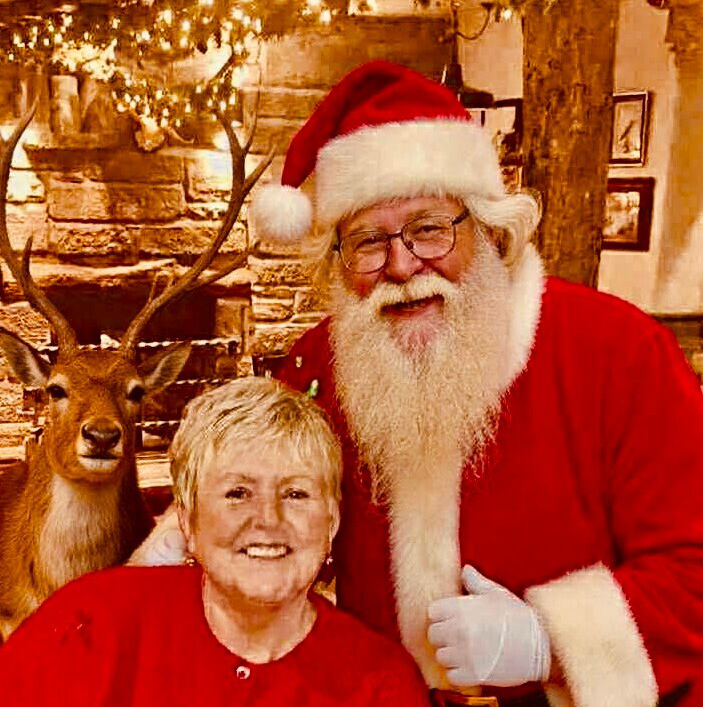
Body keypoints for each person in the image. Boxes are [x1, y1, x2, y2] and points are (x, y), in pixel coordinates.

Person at [247, 60, 703, 707]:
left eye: (430, 229)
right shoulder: (319, 365)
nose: (401, 264)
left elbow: (695, 568)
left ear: (488, 228)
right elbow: (265, 517)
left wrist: (547, 642)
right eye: (367, 242)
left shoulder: (619, 351)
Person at [0, 376, 430, 707]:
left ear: (331, 520)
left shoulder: (381, 684)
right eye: (237, 493)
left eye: (296, 494)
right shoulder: (89, 625)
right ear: (187, 519)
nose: (268, 520)